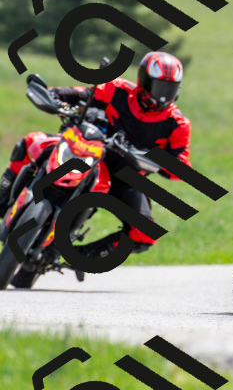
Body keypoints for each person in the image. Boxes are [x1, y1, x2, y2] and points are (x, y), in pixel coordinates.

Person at [0, 52, 191, 258]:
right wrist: (54, 96)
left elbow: (182, 164)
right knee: (31, 142)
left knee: (146, 233)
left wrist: (159, 162)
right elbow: (80, 94)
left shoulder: (178, 123)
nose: (163, 95)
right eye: (159, 87)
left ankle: (81, 255)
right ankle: (3, 200)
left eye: (169, 89)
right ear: (143, 81)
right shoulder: (116, 88)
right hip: (86, 149)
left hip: (127, 176)